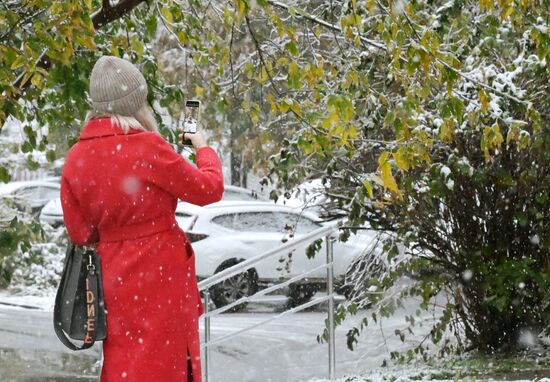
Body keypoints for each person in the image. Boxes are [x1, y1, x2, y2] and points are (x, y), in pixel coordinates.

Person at [60, 55, 224, 382]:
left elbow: (80, 232)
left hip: (113, 277)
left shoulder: (77, 156)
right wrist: (203, 148)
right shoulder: (148, 146)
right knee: (168, 361)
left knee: (126, 361)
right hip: (162, 274)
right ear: (136, 103)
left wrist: (115, 231)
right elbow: (210, 189)